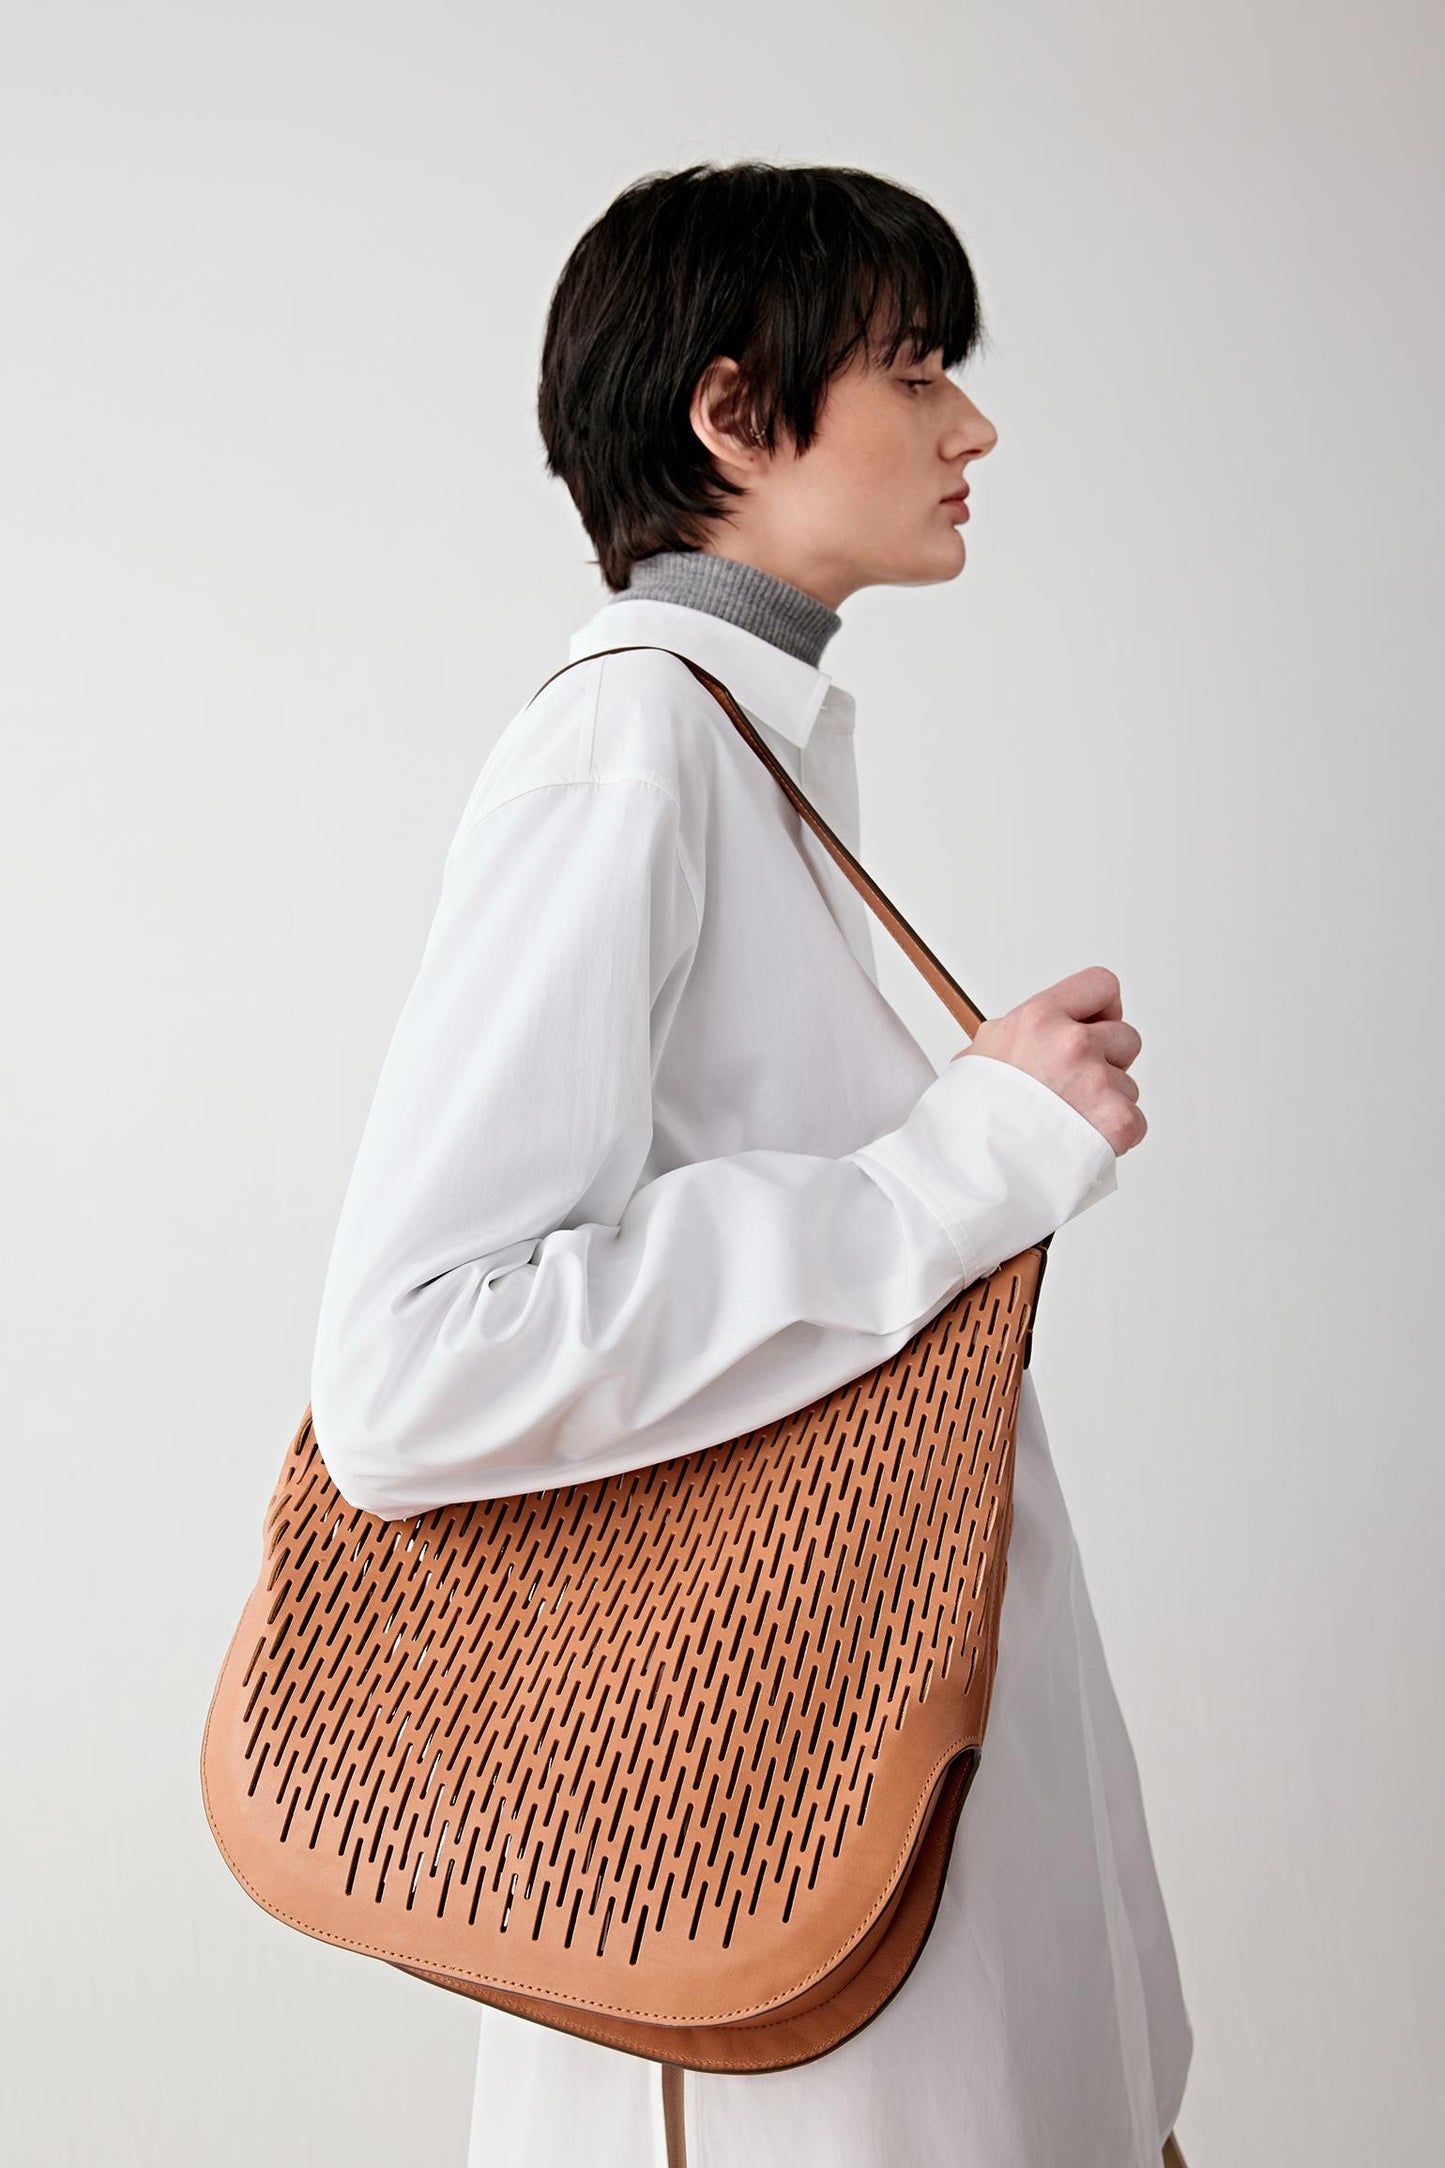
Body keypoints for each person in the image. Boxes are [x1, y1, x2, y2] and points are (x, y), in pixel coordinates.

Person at [309, 162, 1193, 2168]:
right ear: (732, 415)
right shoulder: (631, 744)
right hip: (762, 1907)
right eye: (910, 370)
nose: (971, 427)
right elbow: (411, 1361)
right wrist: (956, 1161)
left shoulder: (738, 740)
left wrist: (956, 1116)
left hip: (848, 1834)